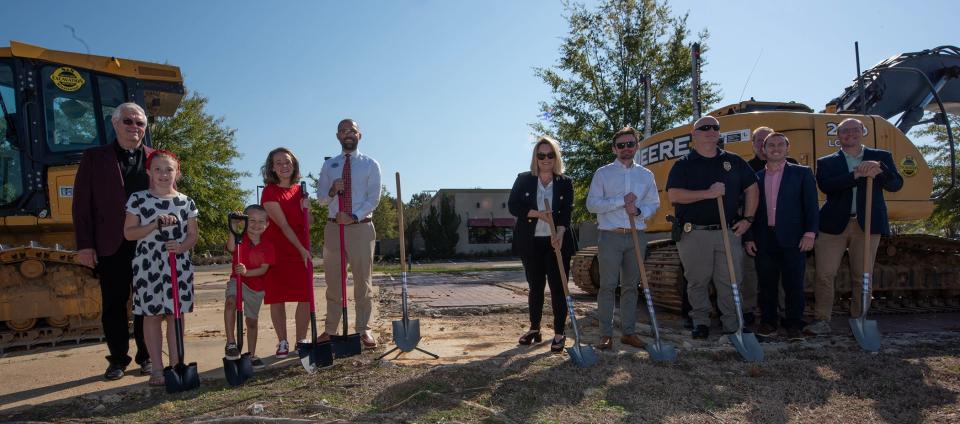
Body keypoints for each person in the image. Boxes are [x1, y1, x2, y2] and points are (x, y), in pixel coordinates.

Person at [73, 102, 151, 380]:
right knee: (114, 304)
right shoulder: (95, 158)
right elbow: (82, 205)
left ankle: (147, 356)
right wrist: (85, 244)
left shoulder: (157, 159)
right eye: (128, 121)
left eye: (140, 123)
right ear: (115, 123)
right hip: (110, 242)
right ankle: (118, 359)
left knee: (147, 304)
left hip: (147, 243)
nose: (134, 127)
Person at [805, 118, 903, 335]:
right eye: (845, 131)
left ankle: (859, 318)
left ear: (862, 132)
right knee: (824, 274)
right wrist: (855, 175)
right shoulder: (827, 162)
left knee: (863, 274)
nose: (850, 134)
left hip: (867, 224)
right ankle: (822, 319)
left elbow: (896, 184)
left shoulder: (880, 157)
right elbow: (827, 186)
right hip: (833, 226)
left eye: (854, 130)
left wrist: (881, 171)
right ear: (838, 136)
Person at [666, 116, 758, 340]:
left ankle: (732, 324)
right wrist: (708, 193)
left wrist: (748, 219)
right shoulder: (684, 164)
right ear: (694, 135)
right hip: (694, 233)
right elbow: (674, 195)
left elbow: (752, 187)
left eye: (715, 128)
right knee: (697, 281)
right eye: (704, 128)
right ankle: (700, 322)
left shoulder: (734, 161)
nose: (710, 131)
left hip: (727, 231)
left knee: (730, 280)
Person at [123, 150, 199, 387]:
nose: (164, 174)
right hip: (149, 264)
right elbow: (129, 233)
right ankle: (156, 368)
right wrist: (154, 225)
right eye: (158, 169)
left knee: (176, 316)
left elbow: (193, 236)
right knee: (152, 315)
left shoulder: (186, 202)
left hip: (178, 265)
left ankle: (176, 365)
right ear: (149, 172)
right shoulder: (138, 199)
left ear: (177, 172)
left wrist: (181, 246)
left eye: (169, 169)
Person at [586, 126, 660, 350]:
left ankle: (629, 332)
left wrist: (638, 211)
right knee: (608, 286)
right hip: (611, 236)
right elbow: (592, 204)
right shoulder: (603, 173)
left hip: (636, 236)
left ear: (636, 146)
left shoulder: (646, 175)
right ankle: (605, 334)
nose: (626, 148)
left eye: (630, 144)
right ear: (614, 148)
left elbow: (653, 203)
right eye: (621, 145)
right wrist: (620, 201)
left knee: (630, 286)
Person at [743, 133, 818, 341]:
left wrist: (810, 233)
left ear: (787, 148)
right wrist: (749, 237)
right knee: (766, 284)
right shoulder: (755, 178)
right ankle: (768, 323)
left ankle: (794, 324)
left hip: (794, 239)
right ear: (763, 150)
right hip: (764, 239)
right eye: (771, 145)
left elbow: (811, 206)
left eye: (780, 144)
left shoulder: (802, 174)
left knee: (794, 284)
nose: (775, 148)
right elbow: (748, 211)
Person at [316, 119, 382, 348]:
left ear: (359, 135)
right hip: (334, 229)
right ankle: (331, 329)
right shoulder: (329, 166)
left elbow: (374, 199)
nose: (348, 134)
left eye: (352, 130)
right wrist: (333, 189)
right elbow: (322, 199)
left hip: (361, 228)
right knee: (333, 281)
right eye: (343, 131)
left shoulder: (370, 164)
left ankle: (363, 328)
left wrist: (353, 215)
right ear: (337, 136)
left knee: (363, 281)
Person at [508, 136, 577, 353]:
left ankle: (559, 332)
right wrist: (539, 214)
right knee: (535, 287)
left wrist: (560, 231)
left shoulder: (565, 182)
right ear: (535, 158)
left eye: (550, 155)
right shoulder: (524, 179)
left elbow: (566, 213)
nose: (545, 159)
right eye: (541, 155)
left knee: (558, 288)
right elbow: (513, 205)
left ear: (555, 157)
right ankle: (534, 329)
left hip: (556, 242)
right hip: (531, 242)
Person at [742, 126, 798, 325]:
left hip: (786, 233)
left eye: (769, 141)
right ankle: (749, 311)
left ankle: (785, 313)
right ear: (755, 145)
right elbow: (743, 204)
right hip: (757, 232)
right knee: (750, 276)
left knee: (784, 278)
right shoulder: (747, 168)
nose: (764, 145)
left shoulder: (793, 166)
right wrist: (747, 234)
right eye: (759, 141)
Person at [260, 147, 312, 358]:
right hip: (278, 249)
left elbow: (309, 223)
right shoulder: (269, 191)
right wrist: (301, 249)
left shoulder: (301, 190)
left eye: (287, 162)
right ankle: (282, 342)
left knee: (306, 296)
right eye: (278, 162)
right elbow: (283, 225)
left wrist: (306, 208)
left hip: (300, 249)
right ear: (272, 167)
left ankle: (301, 341)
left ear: (294, 164)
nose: (283, 166)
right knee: (277, 297)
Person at [224, 204, 275, 369]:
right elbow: (231, 247)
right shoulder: (240, 238)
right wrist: (233, 225)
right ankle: (231, 343)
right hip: (237, 280)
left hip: (256, 286)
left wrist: (246, 272)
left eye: (261, 221)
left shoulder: (268, 245)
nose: (256, 225)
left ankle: (252, 355)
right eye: (251, 220)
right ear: (244, 222)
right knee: (230, 302)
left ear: (267, 224)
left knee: (251, 322)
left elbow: (264, 269)